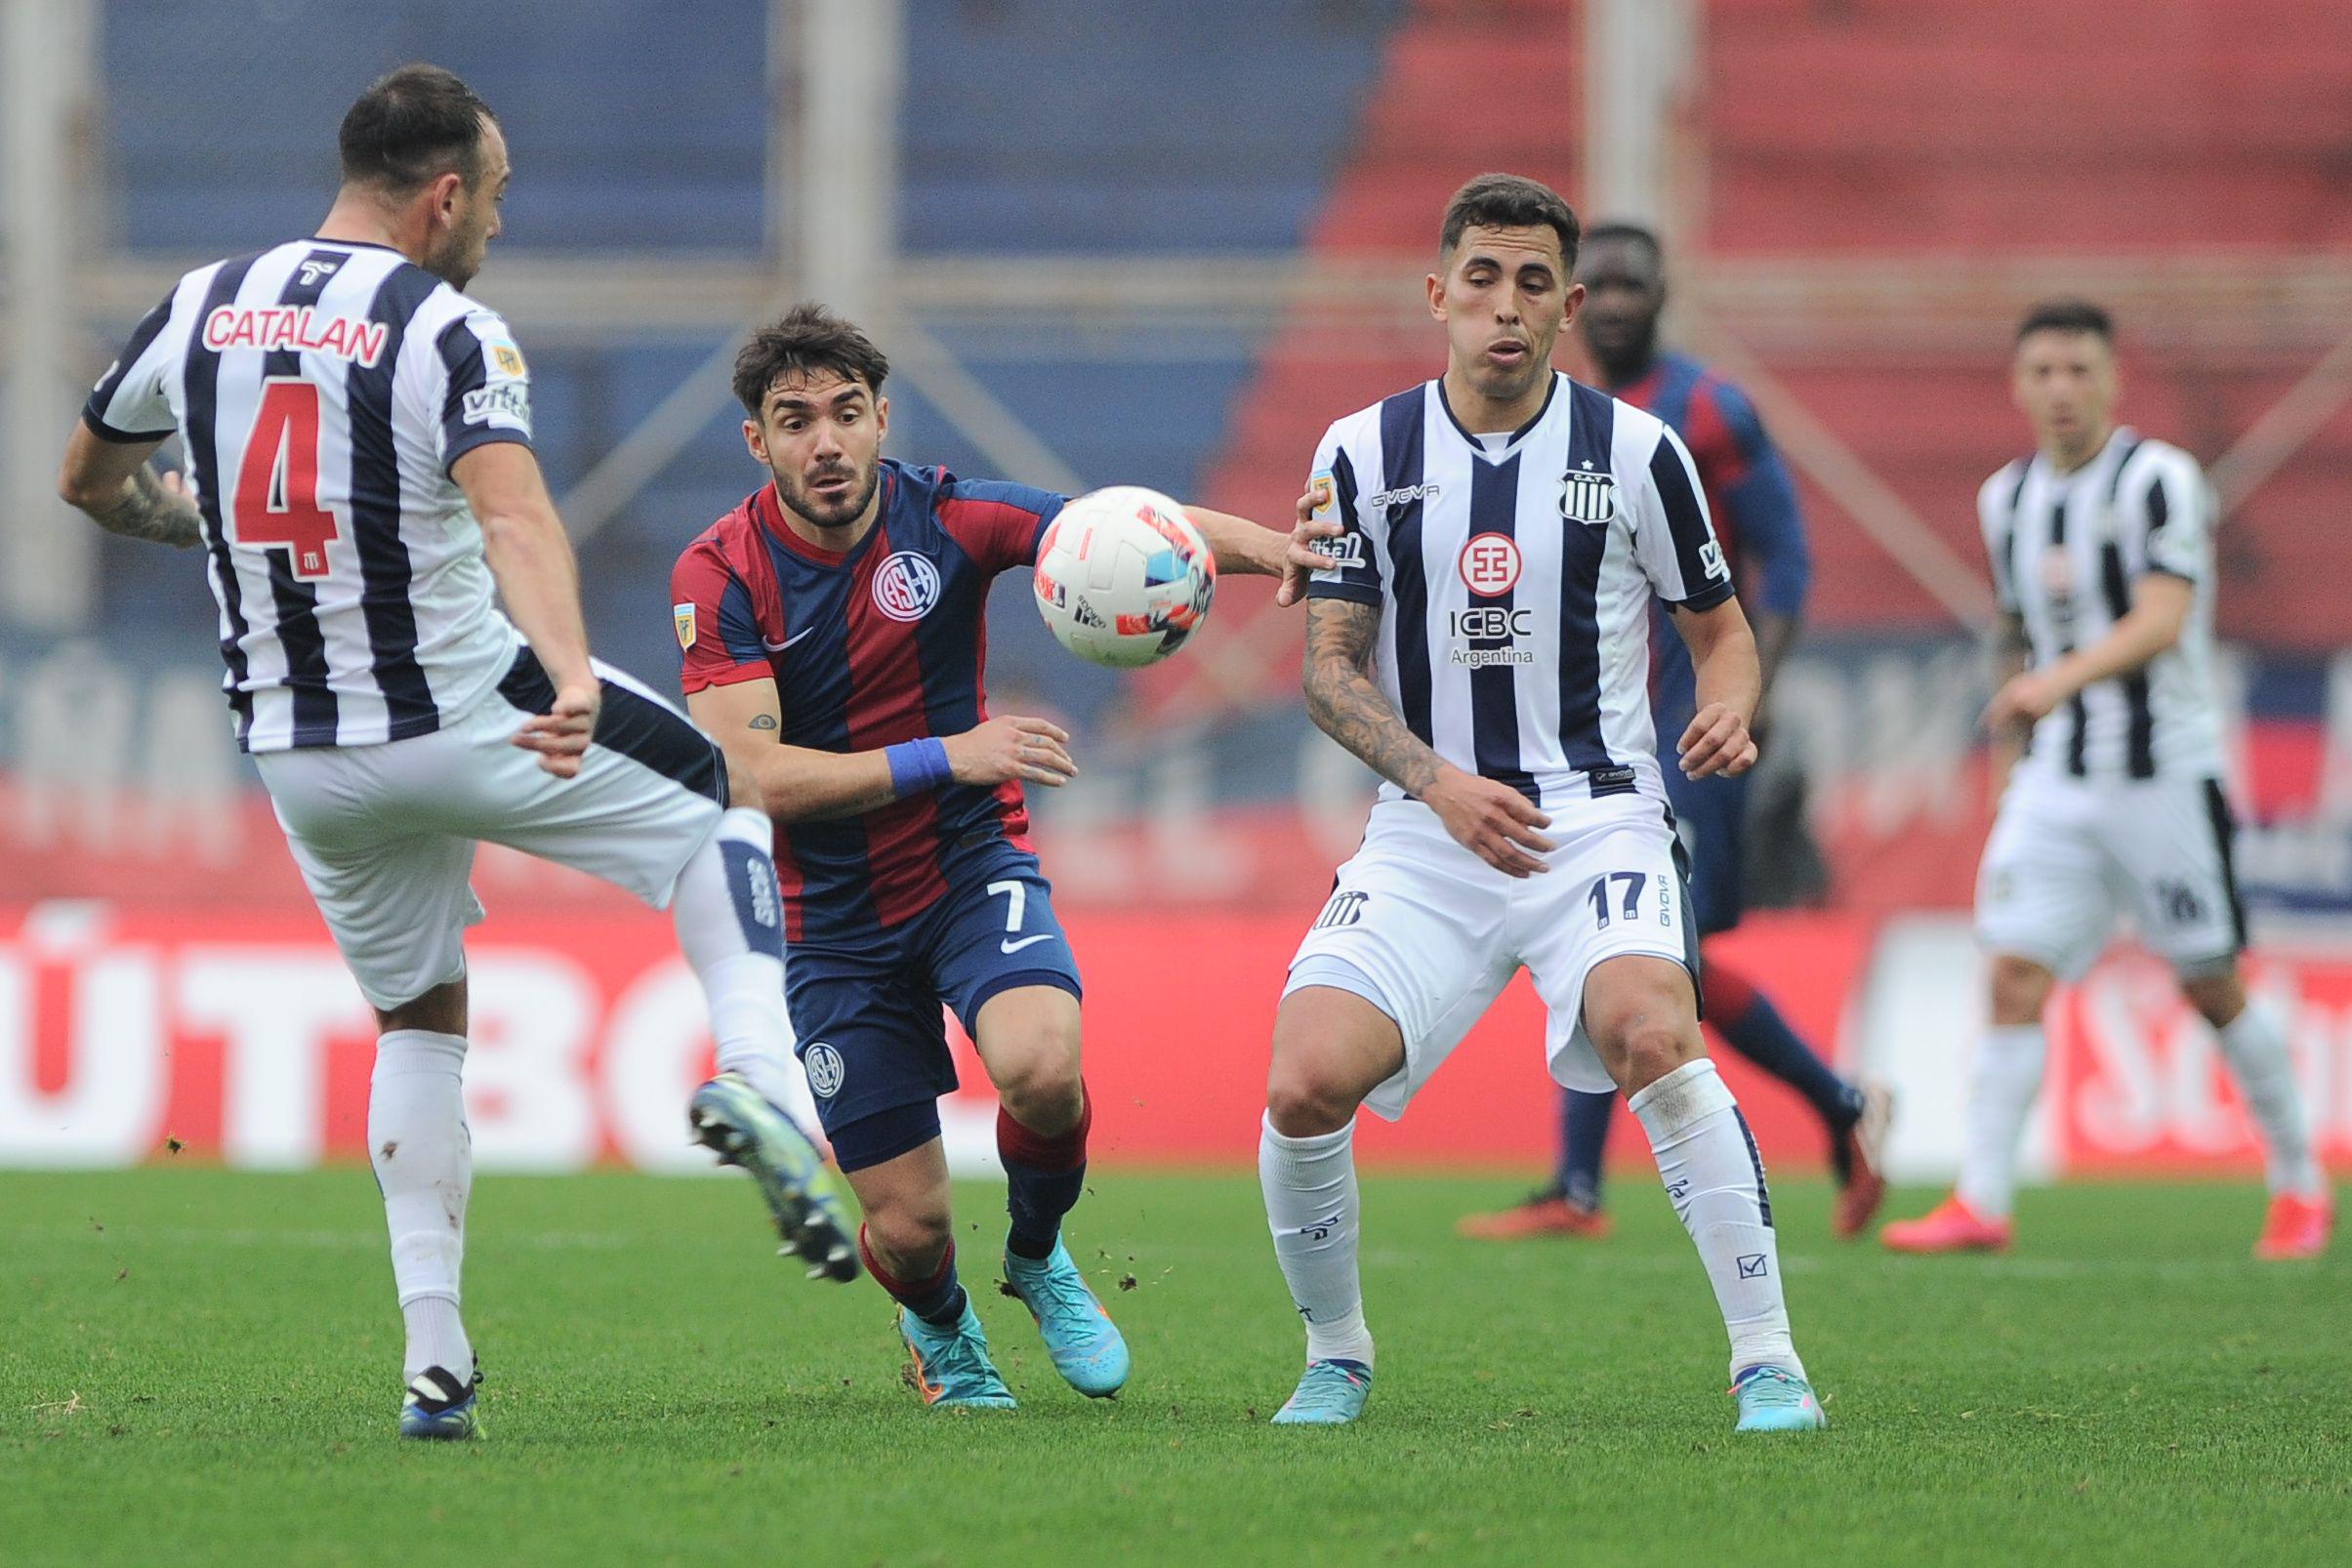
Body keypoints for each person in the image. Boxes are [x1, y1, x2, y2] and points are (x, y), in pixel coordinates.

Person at [57, 65, 852, 1442]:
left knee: (419, 1014)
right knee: (719, 803)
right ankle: (761, 1084)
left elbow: (85, 477)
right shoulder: (446, 328)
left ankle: (434, 1358)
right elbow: (519, 517)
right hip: (461, 705)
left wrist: (192, 522)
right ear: (440, 197)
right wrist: (564, 667)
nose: (493, 221)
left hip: (303, 756)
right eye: (490, 196)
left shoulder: (191, 305)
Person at [671, 304, 1318, 1409]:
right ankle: (941, 1326)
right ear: (756, 442)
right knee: (910, 1228)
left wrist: (1274, 550)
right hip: (830, 918)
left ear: (881, 417)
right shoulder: (719, 572)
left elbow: (1123, 531)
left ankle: (1035, 1257)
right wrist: (951, 751)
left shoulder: (949, 513)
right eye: (793, 421)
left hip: (968, 869)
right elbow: (756, 777)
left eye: (842, 413)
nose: (823, 442)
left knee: (1043, 1069)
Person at [1258, 174, 1825, 1431]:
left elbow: (1722, 632)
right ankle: (1336, 1355)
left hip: (1601, 817)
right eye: (1480, 280)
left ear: (1566, 308)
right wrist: (1435, 783)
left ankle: (1769, 1359)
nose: (1503, 309)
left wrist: (1732, 702)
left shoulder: (1640, 452)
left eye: (1530, 285)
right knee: (1303, 1082)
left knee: (1656, 1035)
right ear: (1437, 295)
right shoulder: (1360, 451)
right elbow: (1330, 669)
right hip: (1429, 828)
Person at [1459, 223, 1889, 1245]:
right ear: (1569, 302)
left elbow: (1782, 560)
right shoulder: (1552, 422)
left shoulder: (1705, 409)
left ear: (1662, 292)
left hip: (1685, 729)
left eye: (1628, 282)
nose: (1611, 300)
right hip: (1589, 731)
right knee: (1641, 947)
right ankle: (1829, 1109)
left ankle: (1588, 1183)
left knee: (1644, 947)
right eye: (1593, 283)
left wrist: (1746, 693)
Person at [1882, 301, 2331, 1260]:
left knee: (2211, 983)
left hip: (2162, 778)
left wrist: (2055, 681)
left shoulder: (2159, 480)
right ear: (2018, 385)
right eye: (2042, 372)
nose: (2060, 390)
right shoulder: (2007, 497)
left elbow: (2164, 617)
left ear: (2112, 379)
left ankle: (2299, 1182)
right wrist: (2012, 762)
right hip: (2056, 780)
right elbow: (2013, 631)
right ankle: (1983, 1201)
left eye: (2078, 370)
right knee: (2010, 971)